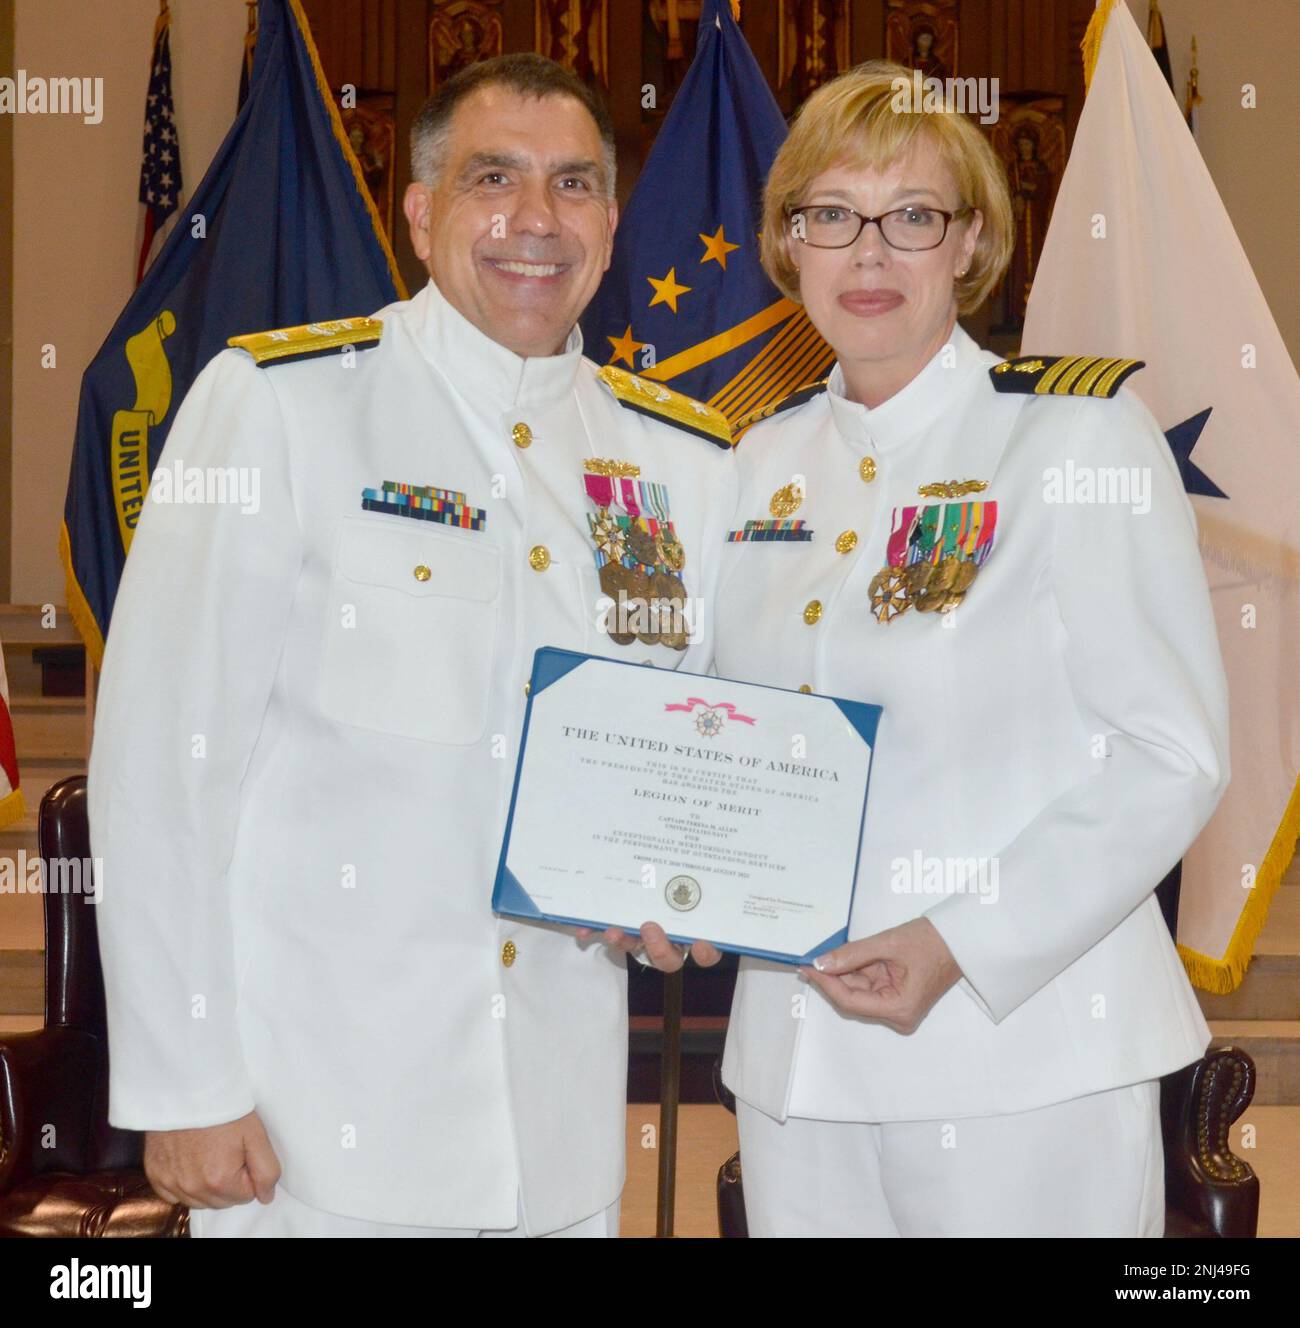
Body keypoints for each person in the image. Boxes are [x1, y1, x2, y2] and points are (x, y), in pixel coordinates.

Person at [89, 53, 734, 1239]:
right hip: (312, 1129)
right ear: (423, 211)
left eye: (575, 185)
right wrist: (187, 1083)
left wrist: (691, 882)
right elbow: (162, 762)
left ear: (608, 221)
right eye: (496, 178)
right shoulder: (280, 405)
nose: (536, 221)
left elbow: (690, 759)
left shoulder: (684, 464)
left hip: (558, 1137)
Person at [713, 60, 1229, 1237]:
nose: (870, 254)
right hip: (797, 1059)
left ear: (972, 242)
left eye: (912, 217)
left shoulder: (1076, 438)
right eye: (831, 216)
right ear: (788, 246)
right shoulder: (749, 466)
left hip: (1023, 1050)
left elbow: (1171, 751)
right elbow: (707, 732)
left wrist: (960, 941)